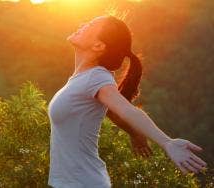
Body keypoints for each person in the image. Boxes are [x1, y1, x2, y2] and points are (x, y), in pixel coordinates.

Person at [47, 15, 208, 188]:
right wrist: (134, 132)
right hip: (69, 182)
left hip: (84, 182)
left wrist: (167, 142)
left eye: (91, 25)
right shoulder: (82, 79)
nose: (83, 25)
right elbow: (110, 111)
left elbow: (126, 109)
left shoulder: (96, 77)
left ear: (98, 45)